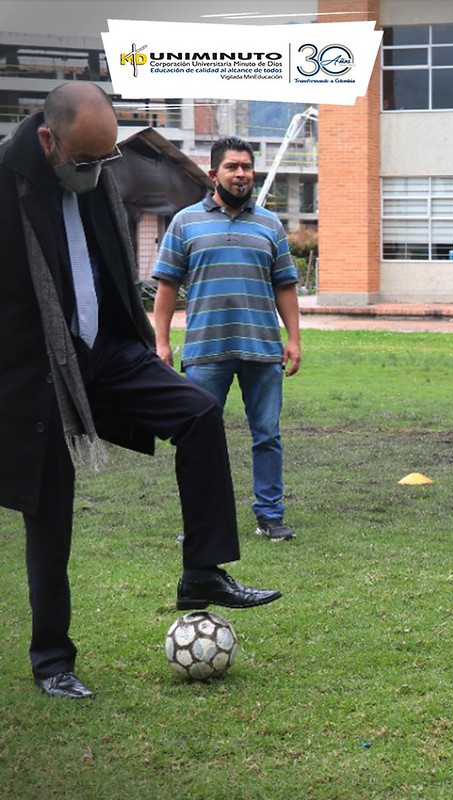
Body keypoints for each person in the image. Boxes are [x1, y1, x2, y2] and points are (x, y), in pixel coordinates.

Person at [0, 83, 282, 701]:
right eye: (84, 162)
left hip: (110, 353)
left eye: (105, 161)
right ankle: (52, 661)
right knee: (50, 522)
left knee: (200, 411)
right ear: (48, 142)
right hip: (41, 370)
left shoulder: (97, 172)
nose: (97, 173)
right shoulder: (6, 183)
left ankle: (201, 573)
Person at [152, 136, 301, 543]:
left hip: (262, 349)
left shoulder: (270, 225)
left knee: (267, 435)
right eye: (233, 167)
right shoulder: (185, 223)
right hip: (205, 351)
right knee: (198, 439)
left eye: (247, 167)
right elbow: (167, 286)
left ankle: (270, 516)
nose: (241, 174)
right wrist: (161, 342)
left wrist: (294, 339)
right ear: (214, 173)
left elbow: (285, 286)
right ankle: (201, 522)